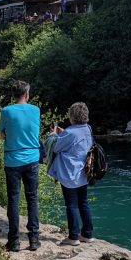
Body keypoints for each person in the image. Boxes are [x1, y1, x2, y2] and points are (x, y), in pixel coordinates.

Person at [0, 80, 41, 251]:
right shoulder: (35, 110)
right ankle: (34, 240)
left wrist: (8, 136)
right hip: (32, 159)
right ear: (27, 94)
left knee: (14, 199)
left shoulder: (6, 111)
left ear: (14, 95)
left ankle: (14, 241)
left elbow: (1, 134)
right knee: (32, 198)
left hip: (12, 160)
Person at [48, 102, 95, 247]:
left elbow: (56, 147)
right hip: (84, 173)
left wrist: (53, 135)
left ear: (72, 116)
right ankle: (87, 234)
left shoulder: (70, 132)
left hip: (70, 174)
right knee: (84, 203)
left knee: (72, 205)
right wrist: (63, 134)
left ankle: (73, 237)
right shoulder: (88, 128)